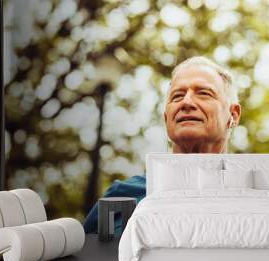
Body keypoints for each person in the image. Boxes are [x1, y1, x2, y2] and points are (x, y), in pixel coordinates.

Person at [83, 56, 241, 233]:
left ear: (233, 115)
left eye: (204, 93)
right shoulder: (123, 194)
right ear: (167, 118)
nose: (186, 102)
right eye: (177, 96)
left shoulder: (252, 198)